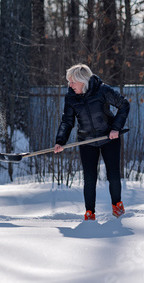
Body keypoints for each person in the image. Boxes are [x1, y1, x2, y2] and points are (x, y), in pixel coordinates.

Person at [54, 64, 130, 221]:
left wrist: (116, 128)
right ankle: (90, 212)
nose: (70, 85)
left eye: (72, 82)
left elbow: (124, 104)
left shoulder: (102, 90)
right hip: (86, 141)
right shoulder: (71, 97)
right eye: (69, 82)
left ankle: (117, 205)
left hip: (109, 138)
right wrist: (60, 141)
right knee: (89, 178)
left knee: (113, 175)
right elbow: (67, 121)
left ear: (82, 81)